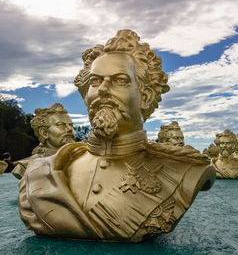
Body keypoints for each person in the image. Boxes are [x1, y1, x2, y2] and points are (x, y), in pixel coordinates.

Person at [18, 30, 215, 242]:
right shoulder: (40, 173)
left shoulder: (186, 171)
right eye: (95, 81)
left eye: (119, 80)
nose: (102, 90)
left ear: (145, 96)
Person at [12, 103, 75, 179]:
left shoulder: (82, 159)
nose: (69, 129)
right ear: (44, 133)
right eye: (61, 124)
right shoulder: (26, 166)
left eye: (71, 125)